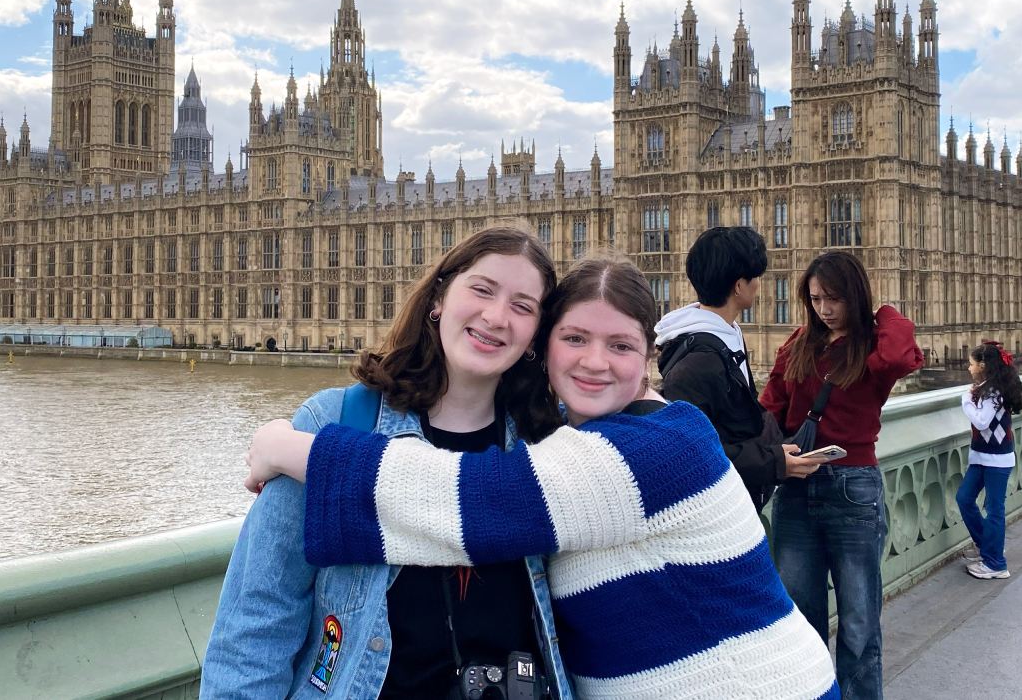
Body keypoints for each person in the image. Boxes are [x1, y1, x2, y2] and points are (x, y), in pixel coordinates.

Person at [245, 257, 839, 698]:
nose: (594, 361)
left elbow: (471, 503)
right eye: (574, 338)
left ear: (649, 360)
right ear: (544, 348)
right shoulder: (559, 438)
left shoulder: (661, 444)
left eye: (621, 345)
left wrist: (290, 447)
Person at [200, 226, 574, 699]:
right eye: (481, 289)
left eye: (523, 306)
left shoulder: (555, 443)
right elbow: (254, 627)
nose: (497, 316)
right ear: (439, 297)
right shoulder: (333, 424)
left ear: (537, 333)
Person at [760, 251, 924, 700]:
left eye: (834, 298)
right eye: (815, 299)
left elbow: (898, 353)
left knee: (858, 623)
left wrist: (882, 310)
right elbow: (769, 411)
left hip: (854, 488)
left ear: (854, 296)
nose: (824, 309)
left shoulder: (872, 347)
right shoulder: (797, 346)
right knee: (799, 618)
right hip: (796, 488)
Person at [653, 226, 818, 509]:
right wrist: (775, 462)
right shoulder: (698, 363)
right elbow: (690, 454)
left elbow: (734, 422)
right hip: (715, 511)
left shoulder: (727, 336)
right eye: (755, 277)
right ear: (739, 286)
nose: (759, 284)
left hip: (739, 496)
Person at [956, 341, 1022, 580]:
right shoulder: (987, 388)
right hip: (982, 457)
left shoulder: (992, 392)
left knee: (994, 509)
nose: (968, 367)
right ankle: (988, 546)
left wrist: (965, 399)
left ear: (983, 366)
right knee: (964, 498)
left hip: (996, 459)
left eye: (971, 363)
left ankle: (996, 563)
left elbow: (982, 422)